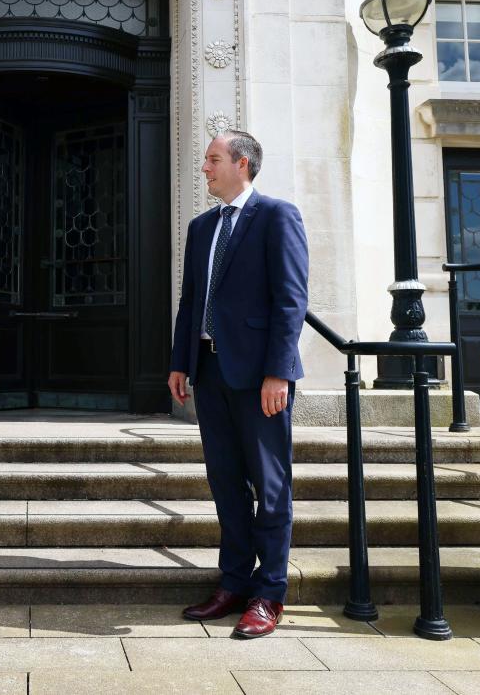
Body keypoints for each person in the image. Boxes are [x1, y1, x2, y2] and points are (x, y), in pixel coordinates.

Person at [167, 129, 309, 639]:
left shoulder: (276, 216)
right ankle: (232, 583)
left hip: (259, 378)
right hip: (208, 373)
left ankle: (268, 594)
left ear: (242, 163)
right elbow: (191, 302)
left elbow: (291, 301)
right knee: (226, 484)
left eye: (213, 159)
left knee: (270, 489)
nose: (204, 168)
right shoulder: (201, 227)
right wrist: (180, 362)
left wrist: (279, 371)